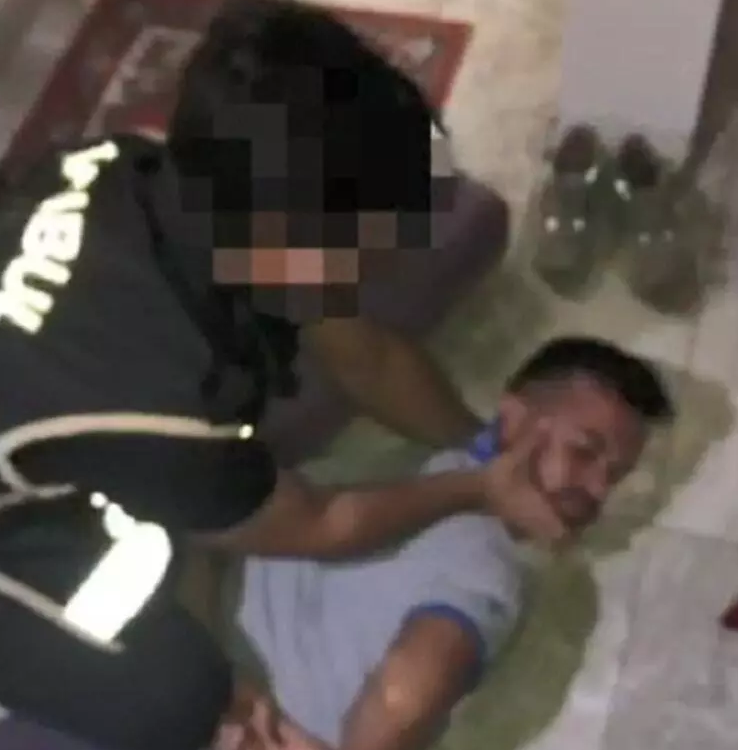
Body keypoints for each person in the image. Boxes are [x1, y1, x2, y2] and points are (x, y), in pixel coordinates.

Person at [0, 1, 568, 749]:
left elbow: (364, 353)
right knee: (178, 693)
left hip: (53, 398)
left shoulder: (129, 162)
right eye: (366, 250)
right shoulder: (167, 403)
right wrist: (476, 489)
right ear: (285, 238)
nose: (380, 265)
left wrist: (484, 446)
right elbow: (318, 524)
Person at [223, 337, 673, 750]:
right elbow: (398, 704)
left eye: (614, 476)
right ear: (513, 417)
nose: (597, 490)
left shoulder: (380, 460)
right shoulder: (489, 570)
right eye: (583, 452)